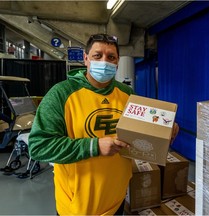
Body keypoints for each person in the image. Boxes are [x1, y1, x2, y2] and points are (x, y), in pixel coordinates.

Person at [28, 33, 179, 215]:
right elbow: (39, 146)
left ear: (117, 63)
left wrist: (166, 128)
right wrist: (94, 146)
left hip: (116, 200)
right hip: (78, 206)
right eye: (97, 56)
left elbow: (144, 129)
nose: (104, 62)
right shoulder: (61, 94)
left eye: (111, 57)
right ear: (86, 59)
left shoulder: (127, 94)